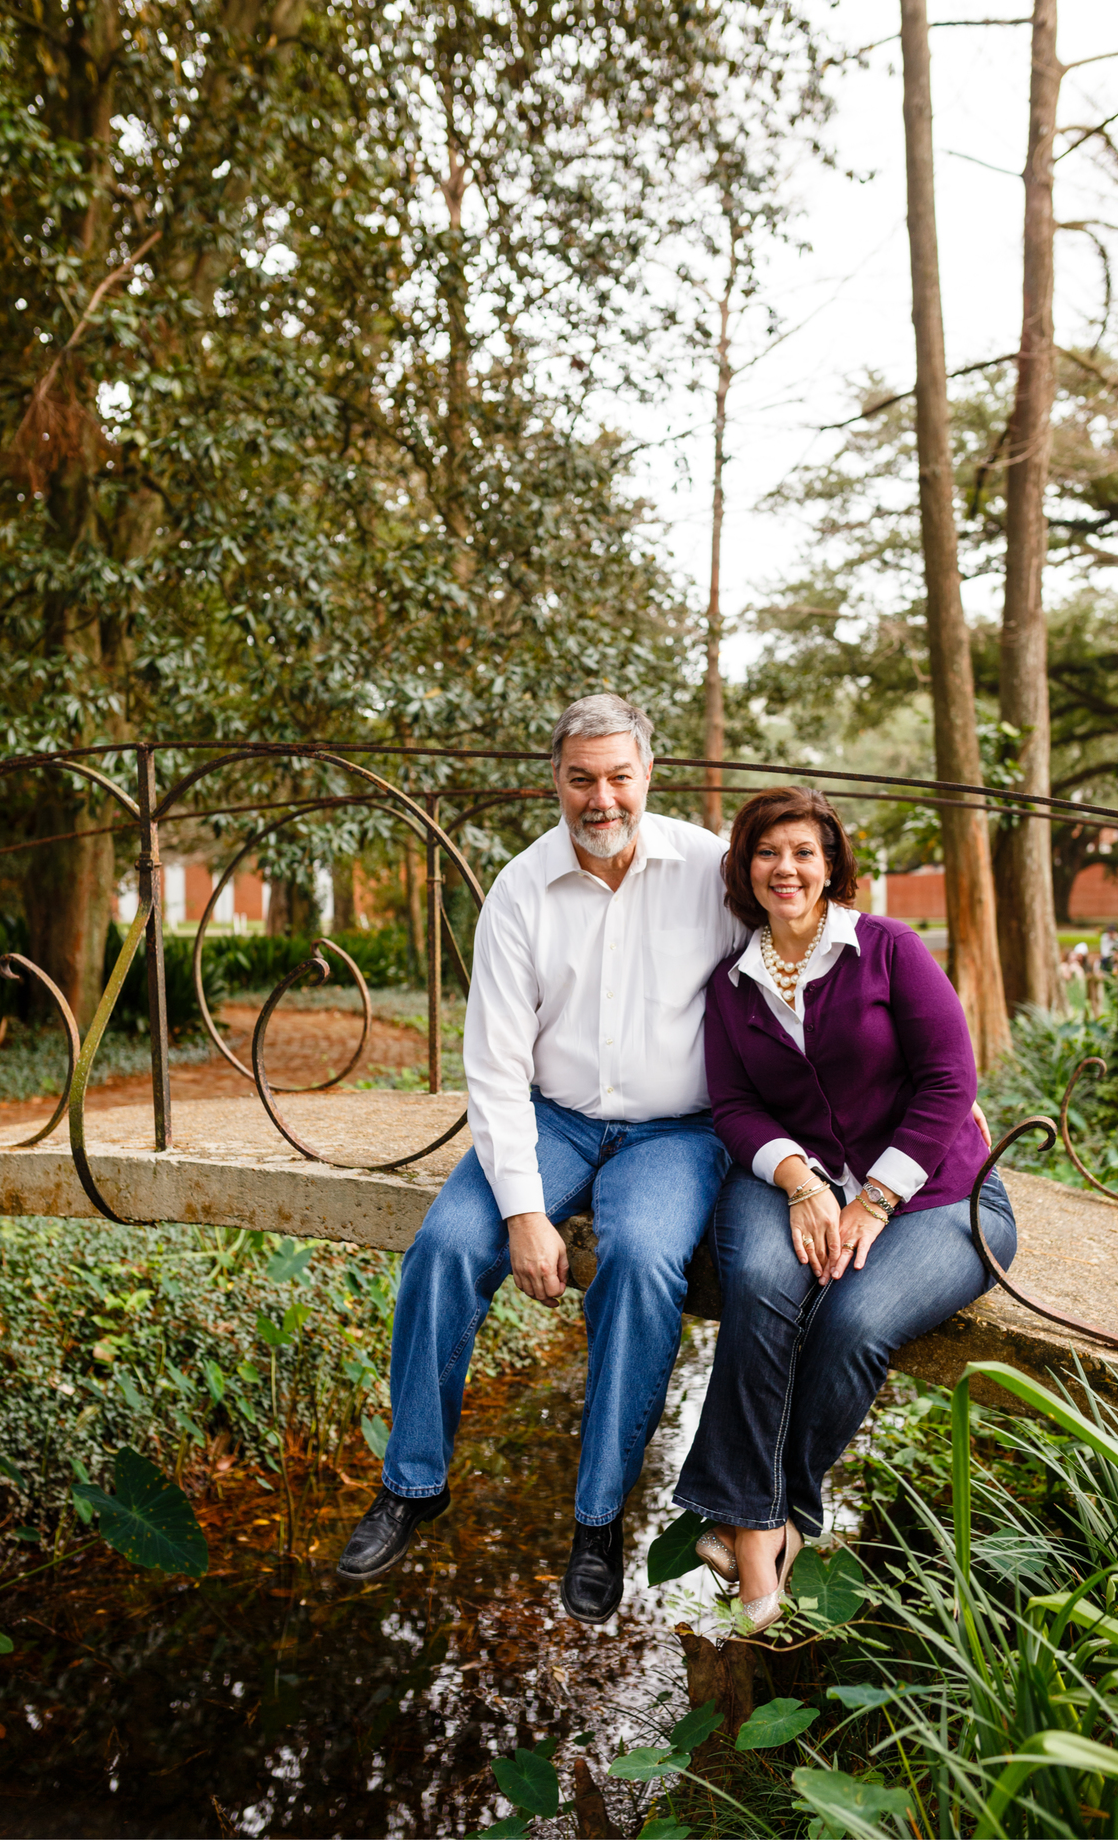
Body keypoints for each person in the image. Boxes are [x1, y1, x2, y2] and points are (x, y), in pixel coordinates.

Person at [336, 695, 741, 1623]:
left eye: (618, 776)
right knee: (445, 1247)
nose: (602, 798)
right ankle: (414, 1480)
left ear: (649, 773)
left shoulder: (710, 872)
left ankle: (597, 1518)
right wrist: (524, 1211)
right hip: (551, 1117)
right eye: (581, 778)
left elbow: (788, 972)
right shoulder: (522, 888)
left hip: (676, 1129)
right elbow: (493, 1064)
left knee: (640, 1263)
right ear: (554, 781)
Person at [670, 786, 1018, 1629]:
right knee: (763, 1282)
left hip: (945, 1198)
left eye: (803, 852)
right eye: (767, 852)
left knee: (853, 1321)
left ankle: (762, 1517)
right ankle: (763, 1532)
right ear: (744, 868)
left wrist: (873, 1199)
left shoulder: (888, 949)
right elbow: (736, 1106)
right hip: (805, 1182)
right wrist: (798, 1179)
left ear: (831, 867)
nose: (785, 868)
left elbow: (950, 1081)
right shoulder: (733, 985)